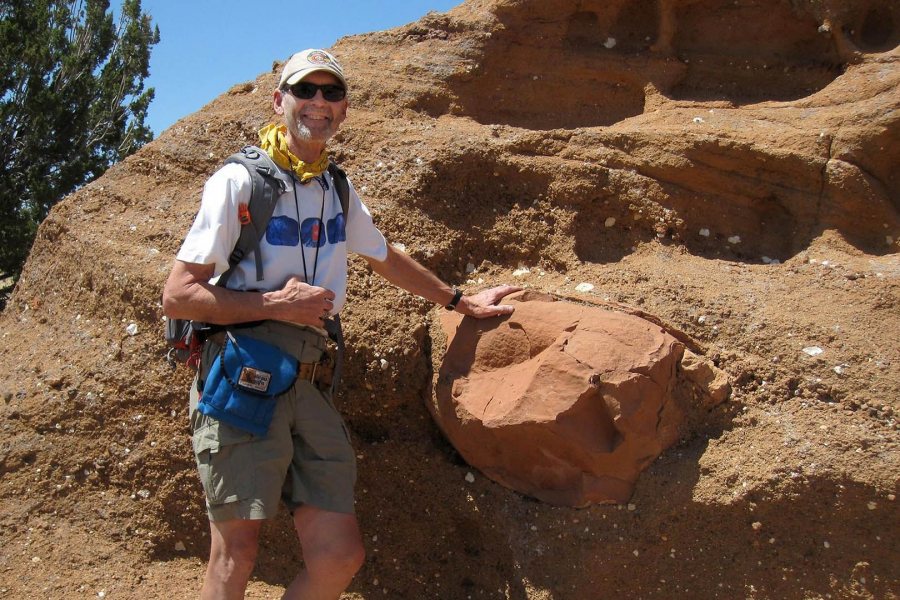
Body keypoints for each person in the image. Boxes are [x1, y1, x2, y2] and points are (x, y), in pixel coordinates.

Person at [162, 48, 518, 600]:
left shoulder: (336, 188)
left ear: (344, 110)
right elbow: (179, 295)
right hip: (243, 375)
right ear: (281, 100)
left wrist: (458, 300)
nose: (319, 103)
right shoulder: (239, 182)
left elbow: (384, 256)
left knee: (340, 555)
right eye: (306, 91)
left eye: (331, 93)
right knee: (236, 553)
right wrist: (274, 305)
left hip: (313, 379)